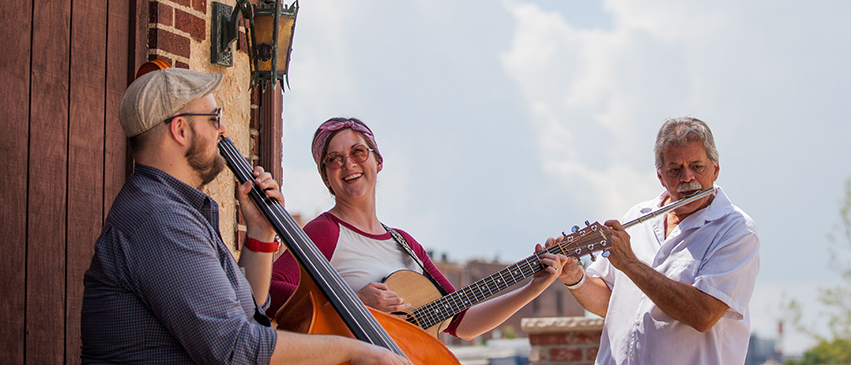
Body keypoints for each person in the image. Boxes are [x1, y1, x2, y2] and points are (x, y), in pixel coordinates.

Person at [80, 68, 410, 365]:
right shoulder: (161, 221)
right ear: (180, 130)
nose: (223, 130)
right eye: (214, 118)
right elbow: (235, 349)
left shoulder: (174, 211)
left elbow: (248, 313)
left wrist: (261, 233)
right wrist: (356, 350)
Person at [268, 117, 569, 340]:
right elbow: (268, 290)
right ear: (326, 178)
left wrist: (534, 287)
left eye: (358, 152)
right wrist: (353, 303)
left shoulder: (406, 244)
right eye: (334, 159)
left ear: (378, 161)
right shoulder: (325, 231)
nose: (348, 164)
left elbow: (463, 322)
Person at [552, 117, 760, 364]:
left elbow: (703, 314)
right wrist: (574, 277)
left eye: (697, 166)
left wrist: (631, 264)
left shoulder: (736, 231)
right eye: (675, 170)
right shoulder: (637, 218)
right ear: (661, 176)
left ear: (715, 170)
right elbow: (611, 302)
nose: (687, 177)